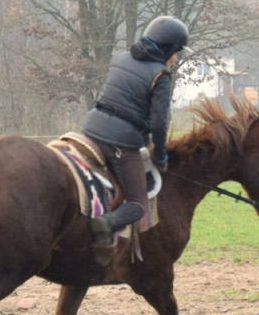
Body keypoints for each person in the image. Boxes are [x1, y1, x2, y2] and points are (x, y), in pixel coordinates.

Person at [81, 15, 190, 248]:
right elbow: (159, 123)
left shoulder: (119, 59)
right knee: (138, 204)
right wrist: (160, 156)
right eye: (176, 52)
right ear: (168, 49)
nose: (175, 58)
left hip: (90, 130)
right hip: (120, 143)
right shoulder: (161, 75)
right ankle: (103, 224)